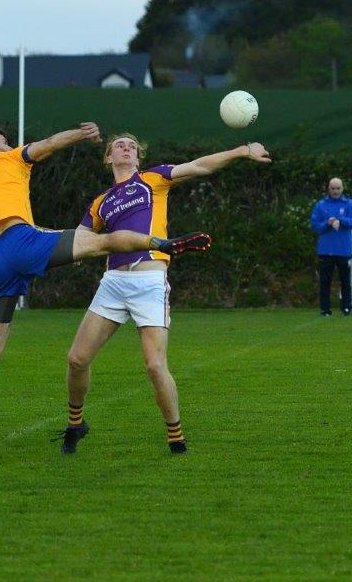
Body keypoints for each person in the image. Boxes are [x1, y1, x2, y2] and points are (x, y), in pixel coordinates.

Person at [0, 123, 211, 458]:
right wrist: (82, 134)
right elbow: (48, 143)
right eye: (5, 143)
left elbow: (16, 222)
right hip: (24, 242)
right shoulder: (8, 160)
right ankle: (162, 243)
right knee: (104, 241)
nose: (12, 145)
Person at [57, 134, 271, 455]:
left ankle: (176, 436)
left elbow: (200, 166)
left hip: (149, 281)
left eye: (131, 146)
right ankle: (76, 423)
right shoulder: (101, 202)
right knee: (77, 360)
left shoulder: (152, 179)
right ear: (108, 158)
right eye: (119, 145)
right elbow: (83, 237)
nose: (126, 148)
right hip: (113, 281)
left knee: (155, 366)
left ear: (138, 158)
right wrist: (65, 250)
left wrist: (242, 150)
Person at [309, 177, 352, 316]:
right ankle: (325, 309)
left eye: (338, 188)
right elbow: (315, 226)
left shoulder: (350, 204)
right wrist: (328, 223)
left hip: (344, 250)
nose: (335, 191)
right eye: (333, 188)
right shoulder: (321, 205)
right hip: (326, 249)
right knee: (325, 281)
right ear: (328, 189)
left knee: (345, 280)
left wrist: (339, 220)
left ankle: (346, 307)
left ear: (342, 189)